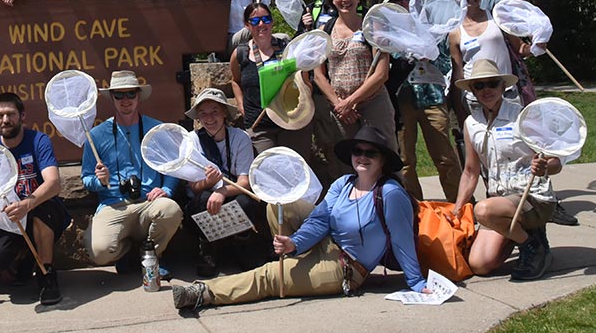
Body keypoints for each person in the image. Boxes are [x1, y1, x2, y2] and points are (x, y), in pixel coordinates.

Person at [173, 125, 426, 310]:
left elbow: (403, 240)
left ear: (382, 161)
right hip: (326, 243)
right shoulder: (344, 183)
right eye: (358, 151)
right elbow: (319, 220)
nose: (362, 157)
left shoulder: (390, 195)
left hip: (346, 268)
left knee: (269, 277)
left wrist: (416, 283)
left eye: (371, 153)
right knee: (280, 204)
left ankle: (202, 293)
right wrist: (294, 243)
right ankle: (288, 255)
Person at [452, 61, 563, 281]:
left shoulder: (523, 116)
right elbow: (470, 172)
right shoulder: (471, 123)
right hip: (499, 202)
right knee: (479, 264)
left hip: (532, 198)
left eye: (492, 84)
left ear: (504, 86)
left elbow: (556, 162)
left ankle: (534, 245)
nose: (486, 90)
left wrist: (543, 168)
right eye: (479, 86)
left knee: (482, 211)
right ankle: (519, 234)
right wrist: (456, 210)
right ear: (472, 91)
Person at [81, 72, 183, 270]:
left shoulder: (156, 129)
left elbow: (172, 168)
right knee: (99, 253)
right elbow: (86, 178)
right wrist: (100, 181)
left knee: (170, 210)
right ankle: (127, 252)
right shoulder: (96, 135)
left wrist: (167, 190)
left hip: (149, 202)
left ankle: (151, 257)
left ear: (139, 96)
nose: (125, 100)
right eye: (119, 95)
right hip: (113, 205)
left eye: (130, 94)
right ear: (112, 98)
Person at [0, 92, 69, 305]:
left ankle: (47, 275)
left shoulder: (39, 141)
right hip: (11, 220)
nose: (5, 120)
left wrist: (26, 204)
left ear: (22, 115)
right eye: (0, 115)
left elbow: (53, 183)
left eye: (10, 114)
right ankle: (26, 258)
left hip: (43, 209)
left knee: (40, 214)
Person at [381, 0, 462, 203]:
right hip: (401, 97)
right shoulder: (387, 32)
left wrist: (430, 55)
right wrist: (407, 55)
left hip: (432, 96)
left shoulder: (434, 28)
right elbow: (384, 67)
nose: (404, 2)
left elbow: (448, 63)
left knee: (446, 157)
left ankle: (461, 206)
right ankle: (413, 207)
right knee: (405, 159)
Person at [313, 0, 396, 182]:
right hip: (341, 110)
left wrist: (352, 101)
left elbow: (381, 73)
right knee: (348, 164)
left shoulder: (372, 28)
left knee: (385, 157)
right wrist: (339, 104)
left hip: (372, 104)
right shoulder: (325, 30)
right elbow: (318, 74)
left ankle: (392, 204)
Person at [180, 89, 264, 277]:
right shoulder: (193, 140)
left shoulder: (240, 137)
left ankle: (242, 245)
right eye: (203, 113)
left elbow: (245, 181)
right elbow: (193, 186)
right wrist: (208, 183)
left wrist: (223, 192)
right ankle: (208, 248)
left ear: (225, 113)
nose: (209, 118)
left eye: (214, 111)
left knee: (246, 201)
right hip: (204, 199)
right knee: (202, 199)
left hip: (230, 193)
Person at [229, 3, 311, 159]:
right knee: (267, 173)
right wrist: (240, 105)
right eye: (255, 21)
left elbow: (303, 81)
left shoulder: (288, 49)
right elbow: (235, 81)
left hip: (290, 123)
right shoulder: (240, 53)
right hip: (259, 127)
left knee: (294, 172)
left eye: (266, 19)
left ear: (272, 22)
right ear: (247, 25)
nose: (261, 24)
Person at [448, 0, 529, 108]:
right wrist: (459, 109)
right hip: (475, 96)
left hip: (506, 93)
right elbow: (458, 74)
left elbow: (520, 47)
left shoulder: (498, 18)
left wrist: (536, 47)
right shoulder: (455, 31)